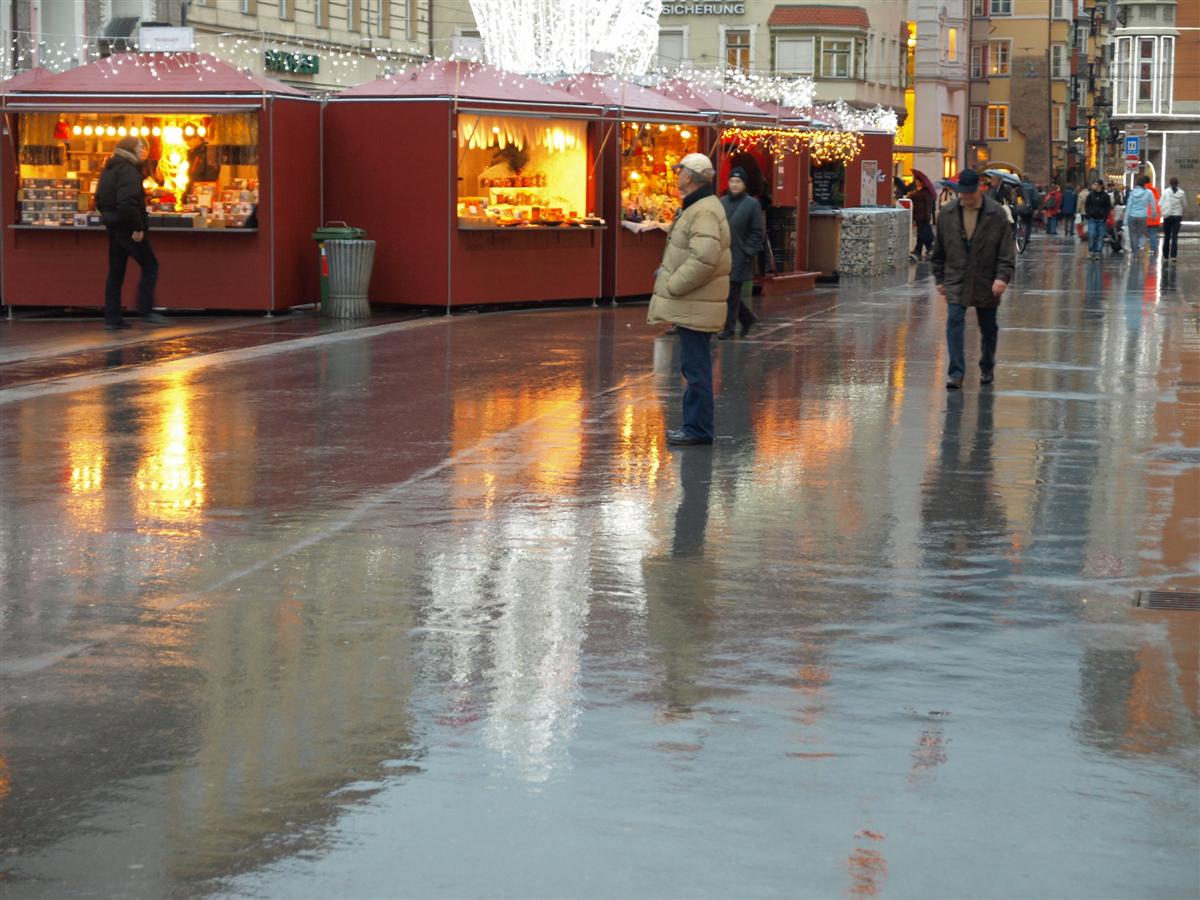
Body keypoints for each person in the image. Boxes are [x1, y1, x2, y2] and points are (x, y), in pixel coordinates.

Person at [648, 153, 731, 446]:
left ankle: (697, 428)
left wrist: (674, 284)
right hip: (697, 303)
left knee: (695, 369)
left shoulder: (703, 211)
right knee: (693, 366)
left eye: (679, 170)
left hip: (697, 302)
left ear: (691, 177)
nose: (676, 174)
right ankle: (694, 426)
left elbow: (704, 258)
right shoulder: (700, 207)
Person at [931, 169, 1015, 391]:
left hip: (986, 279)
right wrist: (939, 278)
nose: (967, 197)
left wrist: (1002, 277)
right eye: (963, 193)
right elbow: (938, 250)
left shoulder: (996, 214)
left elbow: (1006, 252)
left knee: (989, 327)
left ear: (979, 189)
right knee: (954, 323)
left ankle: (987, 366)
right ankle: (956, 373)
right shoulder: (947, 214)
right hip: (956, 278)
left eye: (970, 193)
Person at [95, 136, 169, 330]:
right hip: (128, 227)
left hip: (113, 226)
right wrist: (137, 227)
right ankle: (146, 310)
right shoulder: (129, 170)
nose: (144, 151)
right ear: (130, 149)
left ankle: (112, 318)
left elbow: (99, 199)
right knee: (150, 265)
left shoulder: (109, 168)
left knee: (116, 272)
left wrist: (110, 218)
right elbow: (127, 203)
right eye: (140, 147)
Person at [718, 167, 762, 340]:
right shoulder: (722, 202)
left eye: (738, 182)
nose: (735, 185)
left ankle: (728, 328)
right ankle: (747, 318)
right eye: (732, 181)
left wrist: (748, 251)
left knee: (732, 291)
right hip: (723, 254)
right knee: (727, 291)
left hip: (740, 255)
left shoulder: (752, 204)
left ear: (744, 184)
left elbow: (757, 231)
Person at [1124, 175, 1157, 257]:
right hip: (1143, 216)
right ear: (1144, 184)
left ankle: (1135, 252)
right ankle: (1141, 245)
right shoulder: (1149, 192)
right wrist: (1153, 214)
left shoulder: (1132, 193)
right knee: (1141, 233)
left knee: (1133, 235)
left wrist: (1125, 219)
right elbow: (1153, 204)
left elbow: (1129, 206)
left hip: (1132, 216)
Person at [1083, 179, 1112, 260]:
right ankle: (1091, 251)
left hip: (1101, 219)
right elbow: (1087, 205)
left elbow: (1108, 207)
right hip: (1092, 218)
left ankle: (1098, 251)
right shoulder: (1090, 195)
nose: (1094, 186)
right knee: (1092, 234)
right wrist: (1088, 214)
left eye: (1096, 184)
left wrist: (1105, 216)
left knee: (1100, 236)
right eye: (1094, 184)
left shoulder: (1105, 196)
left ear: (1100, 185)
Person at [1160, 177, 1187, 263]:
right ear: (1177, 183)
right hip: (1177, 216)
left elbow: (1160, 203)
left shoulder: (1165, 192)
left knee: (1167, 236)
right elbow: (1185, 205)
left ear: (1170, 183)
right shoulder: (1181, 193)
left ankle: (1165, 255)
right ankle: (1173, 256)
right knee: (1175, 237)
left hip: (1168, 216)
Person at [909, 180, 935, 261]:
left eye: (917, 181)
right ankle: (926, 249)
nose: (916, 182)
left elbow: (928, 206)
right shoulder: (919, 192)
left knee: (921, 235)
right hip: (919, 217)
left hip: (923, 218)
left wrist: (927, 217)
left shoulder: (925, 193)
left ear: (922, 182)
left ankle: (920, 250)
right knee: (921, 235)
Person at [1145, 176, 1163, 258]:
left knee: (1142, 234)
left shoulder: (1144, 191)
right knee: (1153, 234)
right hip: (1155, 216)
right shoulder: (1155, 190)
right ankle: (1153, 249)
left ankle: (1142, 249)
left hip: (1146, 216)